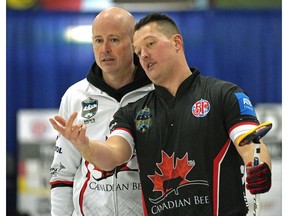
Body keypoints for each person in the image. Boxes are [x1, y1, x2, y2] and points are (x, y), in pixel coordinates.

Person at [49, 13, 272, 216]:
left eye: (151, 44)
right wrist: (86, 145)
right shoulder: (133, 111)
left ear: (177, 42)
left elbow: (251, 143)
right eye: (139, 51)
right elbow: (113, 154)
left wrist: (259, 166)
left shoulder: (223, 94)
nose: (144, 55)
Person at [49, 7, 154, 216]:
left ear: (133, 44)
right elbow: (62, 172)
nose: (104, 49)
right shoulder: (75, 95)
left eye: (113, 40)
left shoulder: (157, 92)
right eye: (98, 40)